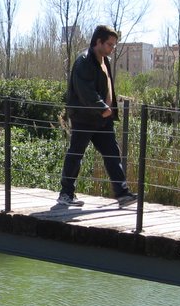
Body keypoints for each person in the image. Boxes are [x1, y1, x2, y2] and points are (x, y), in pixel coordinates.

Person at [58, 24, 137, 206]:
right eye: (110, 44)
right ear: (98, 42)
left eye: (114, 45)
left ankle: (122, 194)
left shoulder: (104, 61)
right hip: (85, 118)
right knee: (76, 153)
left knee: (112, 153)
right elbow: (85, 91)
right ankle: (66, 194)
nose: (112, 48)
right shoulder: (84, 61)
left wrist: (107, 111)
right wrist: (102, 107)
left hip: (103, 119)